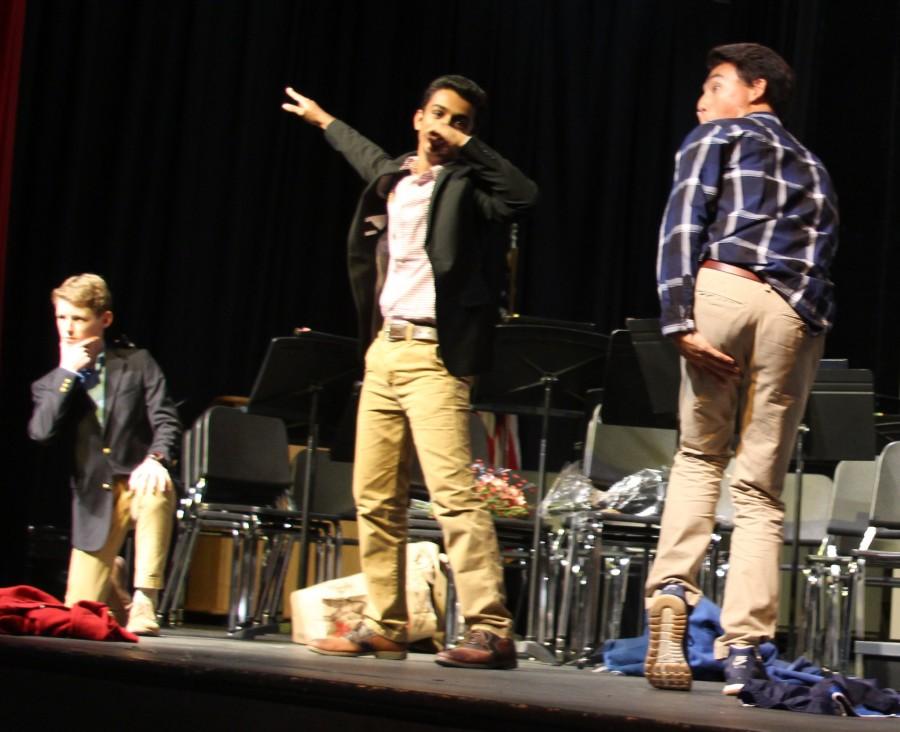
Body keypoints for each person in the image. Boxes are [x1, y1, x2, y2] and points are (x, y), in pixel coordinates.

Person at [282, 75, 538, 668]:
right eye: (439, 116)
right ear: (417, 117)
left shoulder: (470, 187)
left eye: (462, 122)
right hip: (383, 351)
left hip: (434, 355)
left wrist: (467, 147)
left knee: (453, 495)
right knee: (373, 496)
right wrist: (322, 119)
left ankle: (491, 628)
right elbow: (360, 150)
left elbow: (525, 195)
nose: (447, 129)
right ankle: (386, 623)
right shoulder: (393, 175)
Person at [644, 43, 838, 695]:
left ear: (756, 89)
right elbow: (823, 250)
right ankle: (747, 647)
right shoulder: (814, 165)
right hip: (792, 311)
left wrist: (678, 317)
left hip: (724, 287)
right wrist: (801, 319)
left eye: (716, 84)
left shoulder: (717, 136)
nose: (703, 99)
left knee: (701, 456)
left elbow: (683, 222)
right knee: (760, 487)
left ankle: (672, 595)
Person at [28, 273, 181, 636]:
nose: (68, 328)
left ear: (104, 320)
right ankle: (114, 580)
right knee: (76, 616)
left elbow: (166, 419)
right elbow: (41, 432)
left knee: (157, 488)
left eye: (78, 319)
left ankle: (145, 598)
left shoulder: (137, 363)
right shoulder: (52, 383)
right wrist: (68, 372)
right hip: (94, 502)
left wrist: (156, 458)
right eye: (62, 318)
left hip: (137, 482)